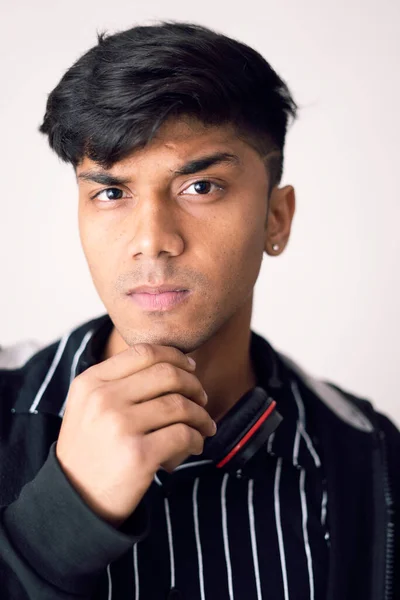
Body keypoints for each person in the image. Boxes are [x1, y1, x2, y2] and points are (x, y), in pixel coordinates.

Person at [0, 21, 398, 600]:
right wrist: (61, 519)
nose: (152, 239)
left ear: (275, 218)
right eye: (112, 193)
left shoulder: (369, 454)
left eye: (201, 187)